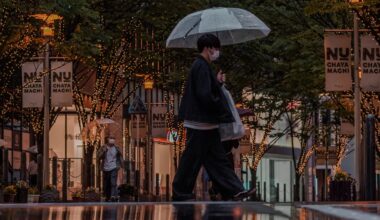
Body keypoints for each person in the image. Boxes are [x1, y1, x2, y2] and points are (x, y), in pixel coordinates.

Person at [173, 34, 254, 201]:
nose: (217, 51)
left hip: (203, 123)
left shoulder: (202, 66)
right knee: (193, 159)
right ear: (208, 47)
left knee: (216, 160)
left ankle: (235, 189)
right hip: (201, 122)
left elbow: (205, 90)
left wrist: (217, 82)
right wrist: (219, 106)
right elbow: (205, 94)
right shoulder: (201, 66)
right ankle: (181, 192)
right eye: (216, 48)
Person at [97, 136, 124, 202]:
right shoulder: (103, 147)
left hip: (114, 167)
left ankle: (113, 196)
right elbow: (98, 156)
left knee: (113, 182)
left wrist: (121, 165)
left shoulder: (116, 148)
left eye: (113, 140)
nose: (112, 141)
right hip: (105, 168)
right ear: (108, 141)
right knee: (107, 183)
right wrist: (104, 151)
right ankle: (107, 196)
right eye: (111, 140)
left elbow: (120, 156)